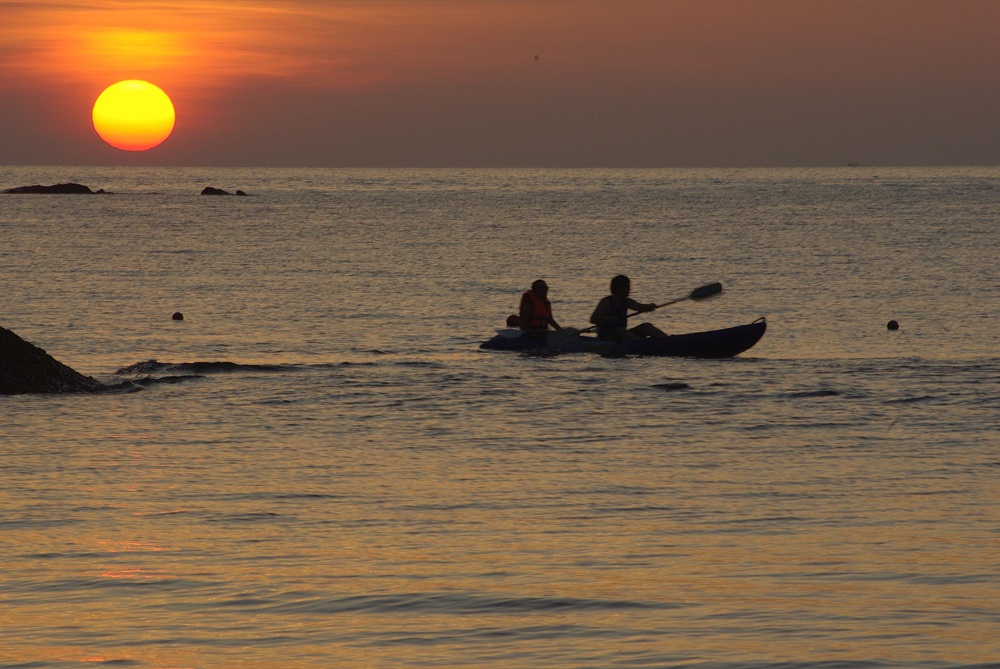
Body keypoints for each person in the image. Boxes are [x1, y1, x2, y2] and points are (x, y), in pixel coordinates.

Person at [590, 274, 668, 340]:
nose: (629, 290)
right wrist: (610, 318)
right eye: (627, 287)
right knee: (620, 330)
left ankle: (667, 340)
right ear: (619, 288)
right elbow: (593, 319)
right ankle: (641, 344)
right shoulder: (606, 302)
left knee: (646, 326)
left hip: (623, 334)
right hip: (607, 336)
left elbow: (640, 307)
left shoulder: (627, 301)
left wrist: (649, 307)